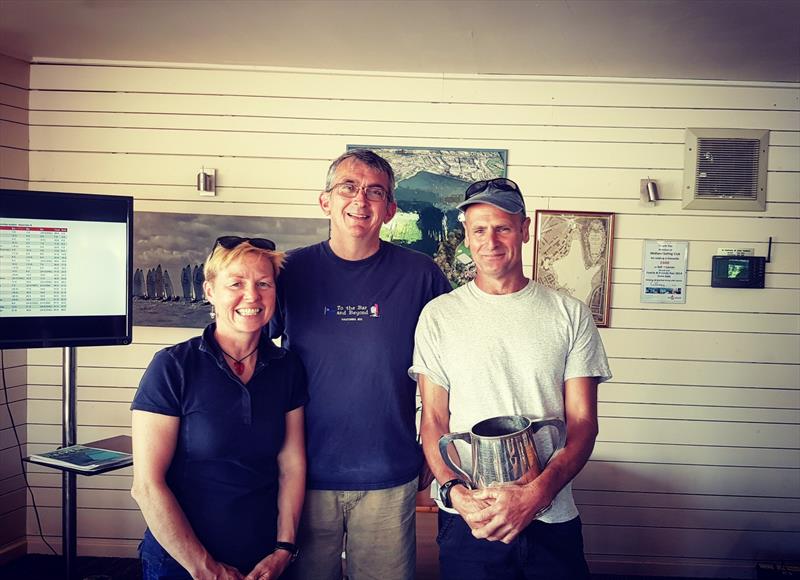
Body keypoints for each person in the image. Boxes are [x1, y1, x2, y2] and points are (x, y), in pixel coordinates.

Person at [410, 178, 612, 580]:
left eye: (502, 227)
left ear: (524, 230)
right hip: (470, 518)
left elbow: (583, 424)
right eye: (479, 229)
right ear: (466, 235)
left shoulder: (569, 314)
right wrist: (455, 493)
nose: (491, 240)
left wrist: (537, 494)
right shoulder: (439, 316)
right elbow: (433, 420)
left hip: (551, 515)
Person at [269, 149, 451, 580]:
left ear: (390, 210)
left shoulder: (422, 275)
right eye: (348, 187)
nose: (360, 200)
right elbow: (248, 353)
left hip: (389, 471)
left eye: (375, 192)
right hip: (302, 473)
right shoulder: (288, 271)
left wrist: (436, 440)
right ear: (325, 200)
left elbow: (450, 364)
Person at [131, 236, 308, 580]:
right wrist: (205, 569)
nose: (252, 296)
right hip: (181, 563)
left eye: (263, 284)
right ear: (210, 290)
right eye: (236, 284)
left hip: (265, 562)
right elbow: (147, 486)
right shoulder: (172, 367)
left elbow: (292, 465)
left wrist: (283, 550)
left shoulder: (287, 367)